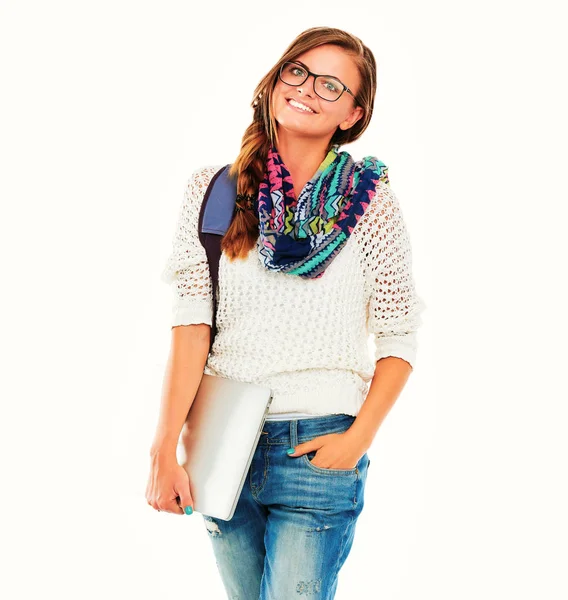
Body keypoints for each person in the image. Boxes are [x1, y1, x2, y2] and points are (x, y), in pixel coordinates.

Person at [146, 25, 426, 599]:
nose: (307, 89)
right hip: (223, 443)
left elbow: (398, 335)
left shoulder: (368, 202)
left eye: (331, 85)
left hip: (319, 445)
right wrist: (163, 448)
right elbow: (191, 327)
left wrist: (358, 438)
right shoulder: (214, 190)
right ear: (274, 81)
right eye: (297, 72)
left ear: (354, 113)